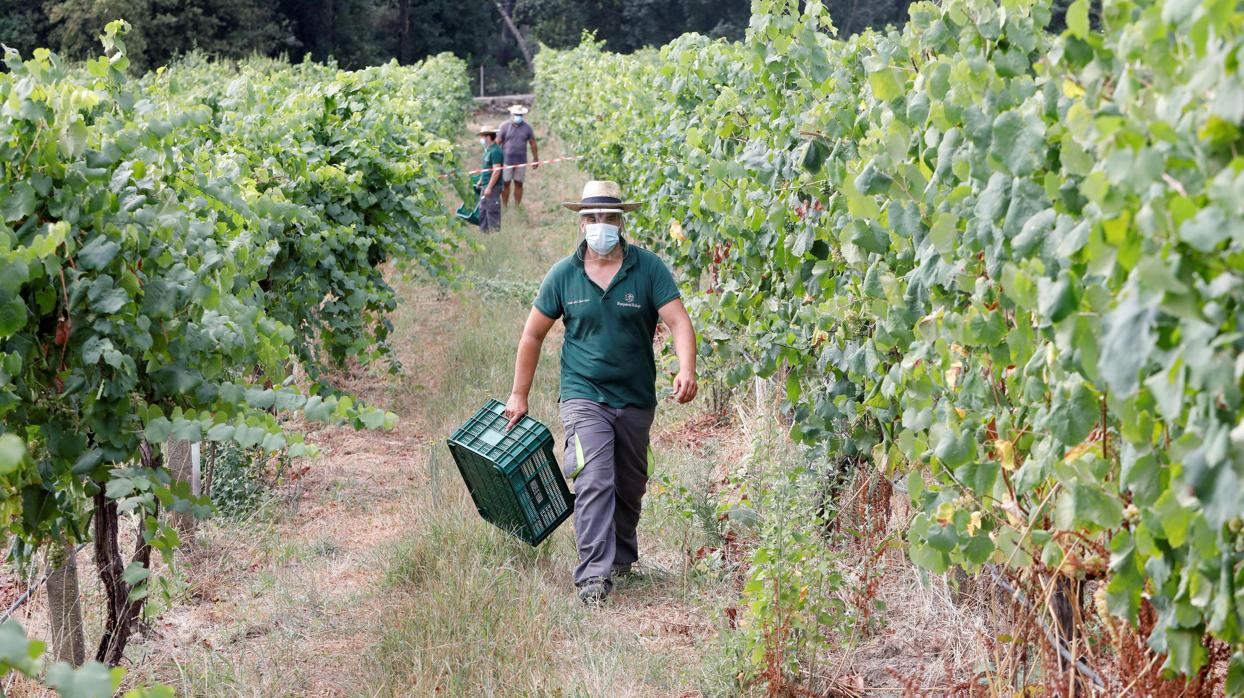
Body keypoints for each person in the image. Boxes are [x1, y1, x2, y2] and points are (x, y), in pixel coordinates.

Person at [504, 180, 698, 605]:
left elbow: (679, 322)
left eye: (608, 218)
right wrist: (520, 394)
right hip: (582, 394)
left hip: (634, 397)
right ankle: (592, 578)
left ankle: (623, 556)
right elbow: (533, 335)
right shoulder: (564, 274)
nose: (600, 226)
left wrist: (687, 369)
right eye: (592, 218)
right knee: (593, 478)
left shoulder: (647, 269)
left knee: (630, 484)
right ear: (581, 223)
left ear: (621, 221)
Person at [496, 104, 538, 208]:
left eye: (520, 115)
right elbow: (498, 142)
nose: (518, 116)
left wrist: (535, 158)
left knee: (519, 183)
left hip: (521, 161)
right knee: (506, 183)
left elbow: (532, 143)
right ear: (511, 114)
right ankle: (505, 205)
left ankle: (517, 206)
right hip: (506, 161)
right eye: (516, 114)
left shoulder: (527, 128)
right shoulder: (504, 126)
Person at [477, 125, 503, 232]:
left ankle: (494, 235)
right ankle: (484, 234)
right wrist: (481, 181)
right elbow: (487, 169)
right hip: (485, 185)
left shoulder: (495, 151)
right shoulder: (487, 150)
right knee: (482, 211)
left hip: (493, 187)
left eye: (482, 137)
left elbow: (496, 171)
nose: (481, 139)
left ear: (488, 137)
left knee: (492, 211)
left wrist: (489, 187)